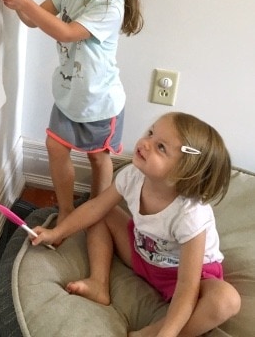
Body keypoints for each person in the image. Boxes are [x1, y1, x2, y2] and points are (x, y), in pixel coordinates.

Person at [31, 112, 241, 337]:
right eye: (151, 133)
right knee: (101, 211)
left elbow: (187, 287)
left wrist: (167, 332)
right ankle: (98, 283)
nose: (145, 143)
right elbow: (96, 208)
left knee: (226, 300)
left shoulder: (190, 215)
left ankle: (154, 334)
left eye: (160, 147)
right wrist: (57, 232)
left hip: (186, 276)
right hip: (142, 253)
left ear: (185, 173)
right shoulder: (133, 176)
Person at [0, 0, 145, 224]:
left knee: (98, 156)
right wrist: (17, 3)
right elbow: (33, 18)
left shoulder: (110, 5)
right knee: (55, 146)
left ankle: (97, 212)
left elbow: (66, 32)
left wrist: (27, 5)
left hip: (99, 102)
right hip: (68, 95)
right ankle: (66, 211)